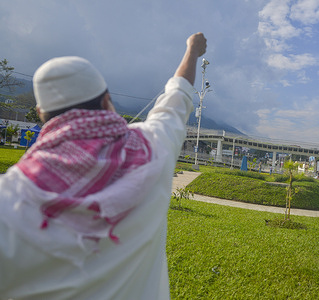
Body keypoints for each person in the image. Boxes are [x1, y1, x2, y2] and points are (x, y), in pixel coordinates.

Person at [0, 32, 207, 299]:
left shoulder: (10, 196)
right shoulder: (153, 148)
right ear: (107, 100)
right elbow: (177, 97)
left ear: (41, 114)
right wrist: (192, 50)